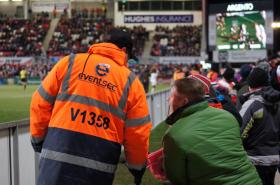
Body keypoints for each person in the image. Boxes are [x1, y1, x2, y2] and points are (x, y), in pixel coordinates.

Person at [30, 28, 152, 185]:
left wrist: (38, 139)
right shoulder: (131, 82)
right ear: (123, 50)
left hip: (56, 159)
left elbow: (39, 102)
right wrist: (137, 167)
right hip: (98, 168)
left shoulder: (70, 62)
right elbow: (138, 132)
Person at [162, 77, 261, 185]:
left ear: (184, 101)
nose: (168, 100)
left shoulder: (174, 135)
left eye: (171, 96)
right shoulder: (227, 116)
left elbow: (177, 179)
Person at [239, 67, 280, 185]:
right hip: (274, 157)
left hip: (255, 158)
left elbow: (240, 131)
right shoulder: (277, 102)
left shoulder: (252, 104)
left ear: (250, 83)